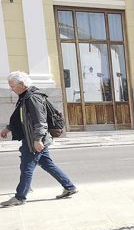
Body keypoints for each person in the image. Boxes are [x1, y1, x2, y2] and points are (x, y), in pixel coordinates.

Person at [1, 71, 77, 208]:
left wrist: (38, 140)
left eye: (12, 86)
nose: (11, 89)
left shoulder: (33, 98)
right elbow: (21, 118)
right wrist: (8, 128)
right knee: (47, 164)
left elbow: (40, 122)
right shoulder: (25, 96)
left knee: (26, 167)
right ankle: (69, 186)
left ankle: (20, 196)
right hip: (32, 138)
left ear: (22, 84)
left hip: (33, 140)